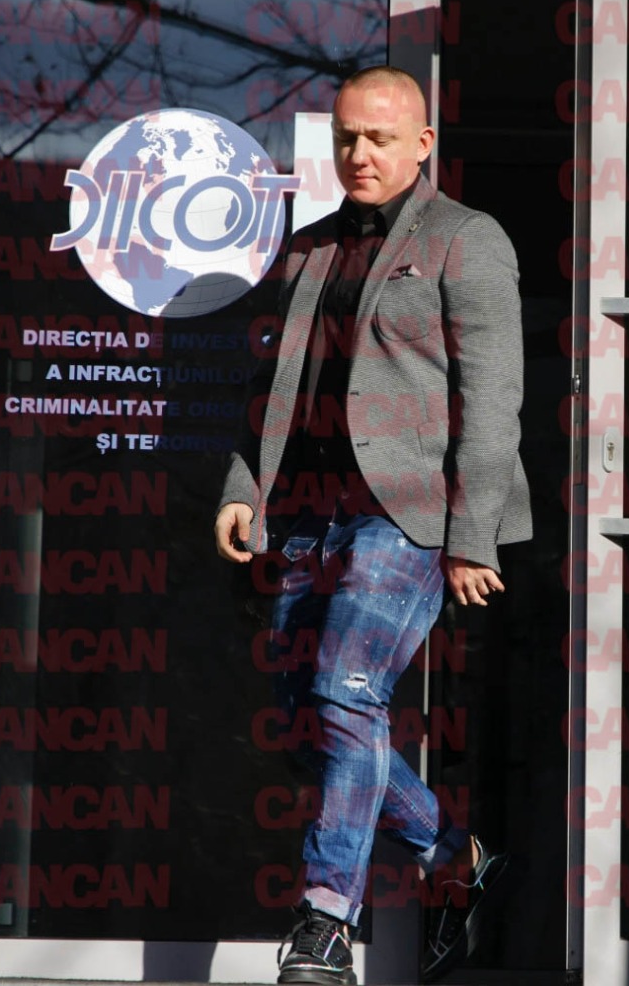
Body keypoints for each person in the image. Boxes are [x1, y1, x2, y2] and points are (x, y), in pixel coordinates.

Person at [214, 64, 531, 986]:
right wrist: (244, 486)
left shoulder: (467, 239)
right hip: (309, 518)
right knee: (302, 724)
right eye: (347, 137)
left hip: (410, 513)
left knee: (346, 696)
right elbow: (270, 387)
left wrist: (471, 536)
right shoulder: (310, 247)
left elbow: (493, 401)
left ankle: (324, 923)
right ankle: (456, 857)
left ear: (422, 144)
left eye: (380, 138)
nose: (359, 153)